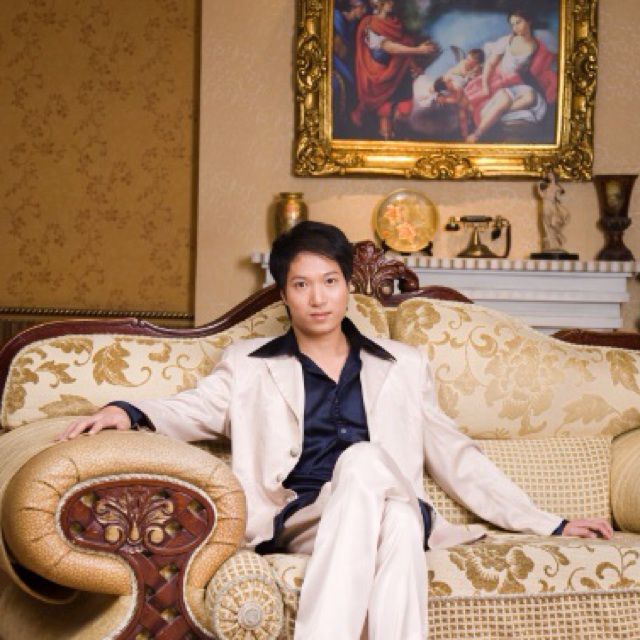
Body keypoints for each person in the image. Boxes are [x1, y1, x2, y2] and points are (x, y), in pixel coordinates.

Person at [59, 222, 612, 639]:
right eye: (302, 284)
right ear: (284, 294)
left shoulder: (404, 365)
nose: (318, 297)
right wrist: (127, 411)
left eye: (330, 281)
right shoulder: (248, 365)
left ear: (349, 286)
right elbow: (193, 407)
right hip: (303, 516)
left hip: (388, 503)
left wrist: (551, 522)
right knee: (378, 486)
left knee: (391, 502)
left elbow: (456, 456)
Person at [464, 9, 557, 143]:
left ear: (529, 21)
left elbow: (539, 67)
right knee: (505, 98)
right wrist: (485, 86)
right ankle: (477, 133)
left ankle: (496, 113)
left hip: (516, 82)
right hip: (497, 80)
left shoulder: (536, 44)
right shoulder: (507, 41)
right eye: (512, 24)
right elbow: (490, 64)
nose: (515, 27)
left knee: (531, 98)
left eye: (518, 22)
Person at [351, 0, 438, 139]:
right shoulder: (369, 23)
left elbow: (404, 44)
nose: (392, 3)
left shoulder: (395, 22)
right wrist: (419, 50)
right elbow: (389, 47)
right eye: (388, 1)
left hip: (399, 72)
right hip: (380, 76)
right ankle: (386, 139)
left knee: (404, 109)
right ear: (379, 3)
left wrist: (414, 65)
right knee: (385, 112)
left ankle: (398, 135)